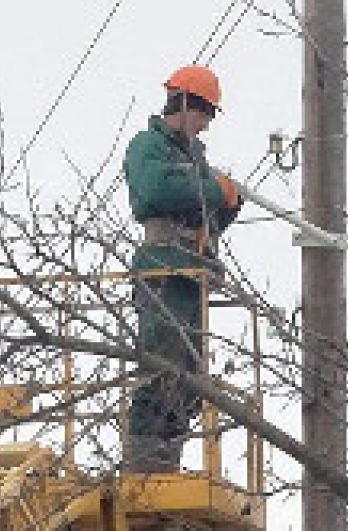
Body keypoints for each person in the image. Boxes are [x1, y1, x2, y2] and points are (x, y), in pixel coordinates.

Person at [122, 65, 242, 473]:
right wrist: (211, 188)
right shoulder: (147, 148)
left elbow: (207, 219)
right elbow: (156, 192)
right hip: (163, 271)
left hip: (193, 275)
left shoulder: (194, 158)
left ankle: (166, 467)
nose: (206, 126)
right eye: (204, 114)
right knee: (161, 371)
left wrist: (228, 202)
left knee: (189, 382)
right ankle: (144, 470)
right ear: (186, 104)